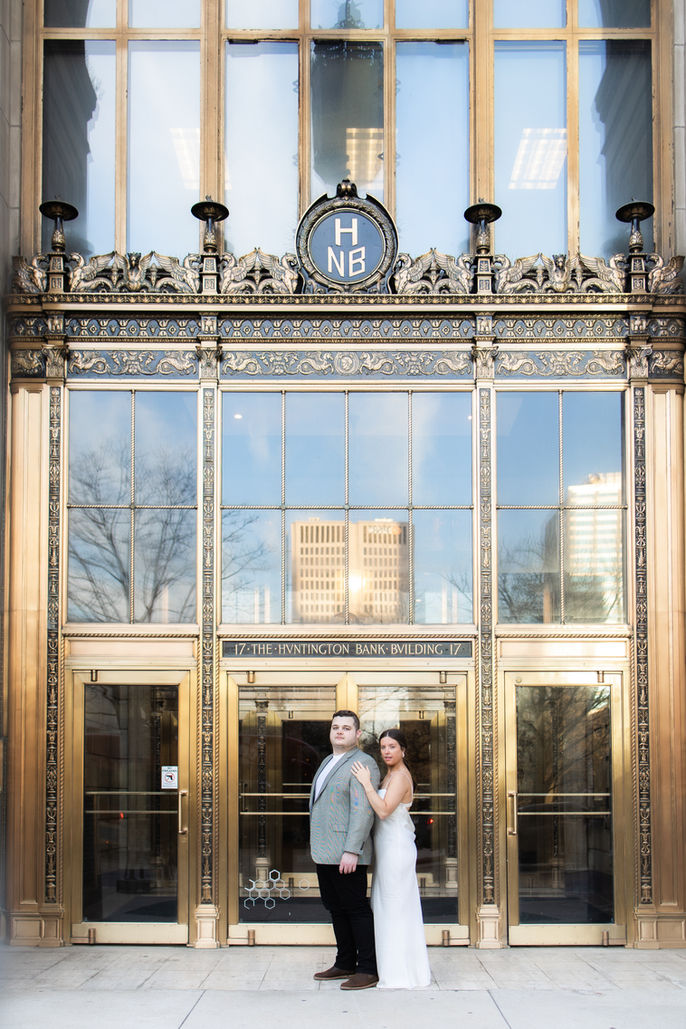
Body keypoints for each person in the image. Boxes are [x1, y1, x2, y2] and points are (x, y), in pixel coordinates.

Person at [351, 728, 432, 989]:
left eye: (392, 747)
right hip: (387, 847)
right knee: (387, 906)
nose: (386, 751)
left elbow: (384, 811)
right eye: (383, 747)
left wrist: (365, 783)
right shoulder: (390, 776)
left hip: (397, 848)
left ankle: (399, 974)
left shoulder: (400, 777)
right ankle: (394, 967)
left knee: (395, 907)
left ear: (403, 750)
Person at [310, 709, 381, 990]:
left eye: (346, 728)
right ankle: (345, 962)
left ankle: (367, 969)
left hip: (346, 852)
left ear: (357, 734)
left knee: (355, 908)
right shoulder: (328, 760)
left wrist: (352, 849)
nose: (340, 732)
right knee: (335, 907)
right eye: (335, 727)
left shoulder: (362, 763)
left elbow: (362, 810)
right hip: (325, 850)